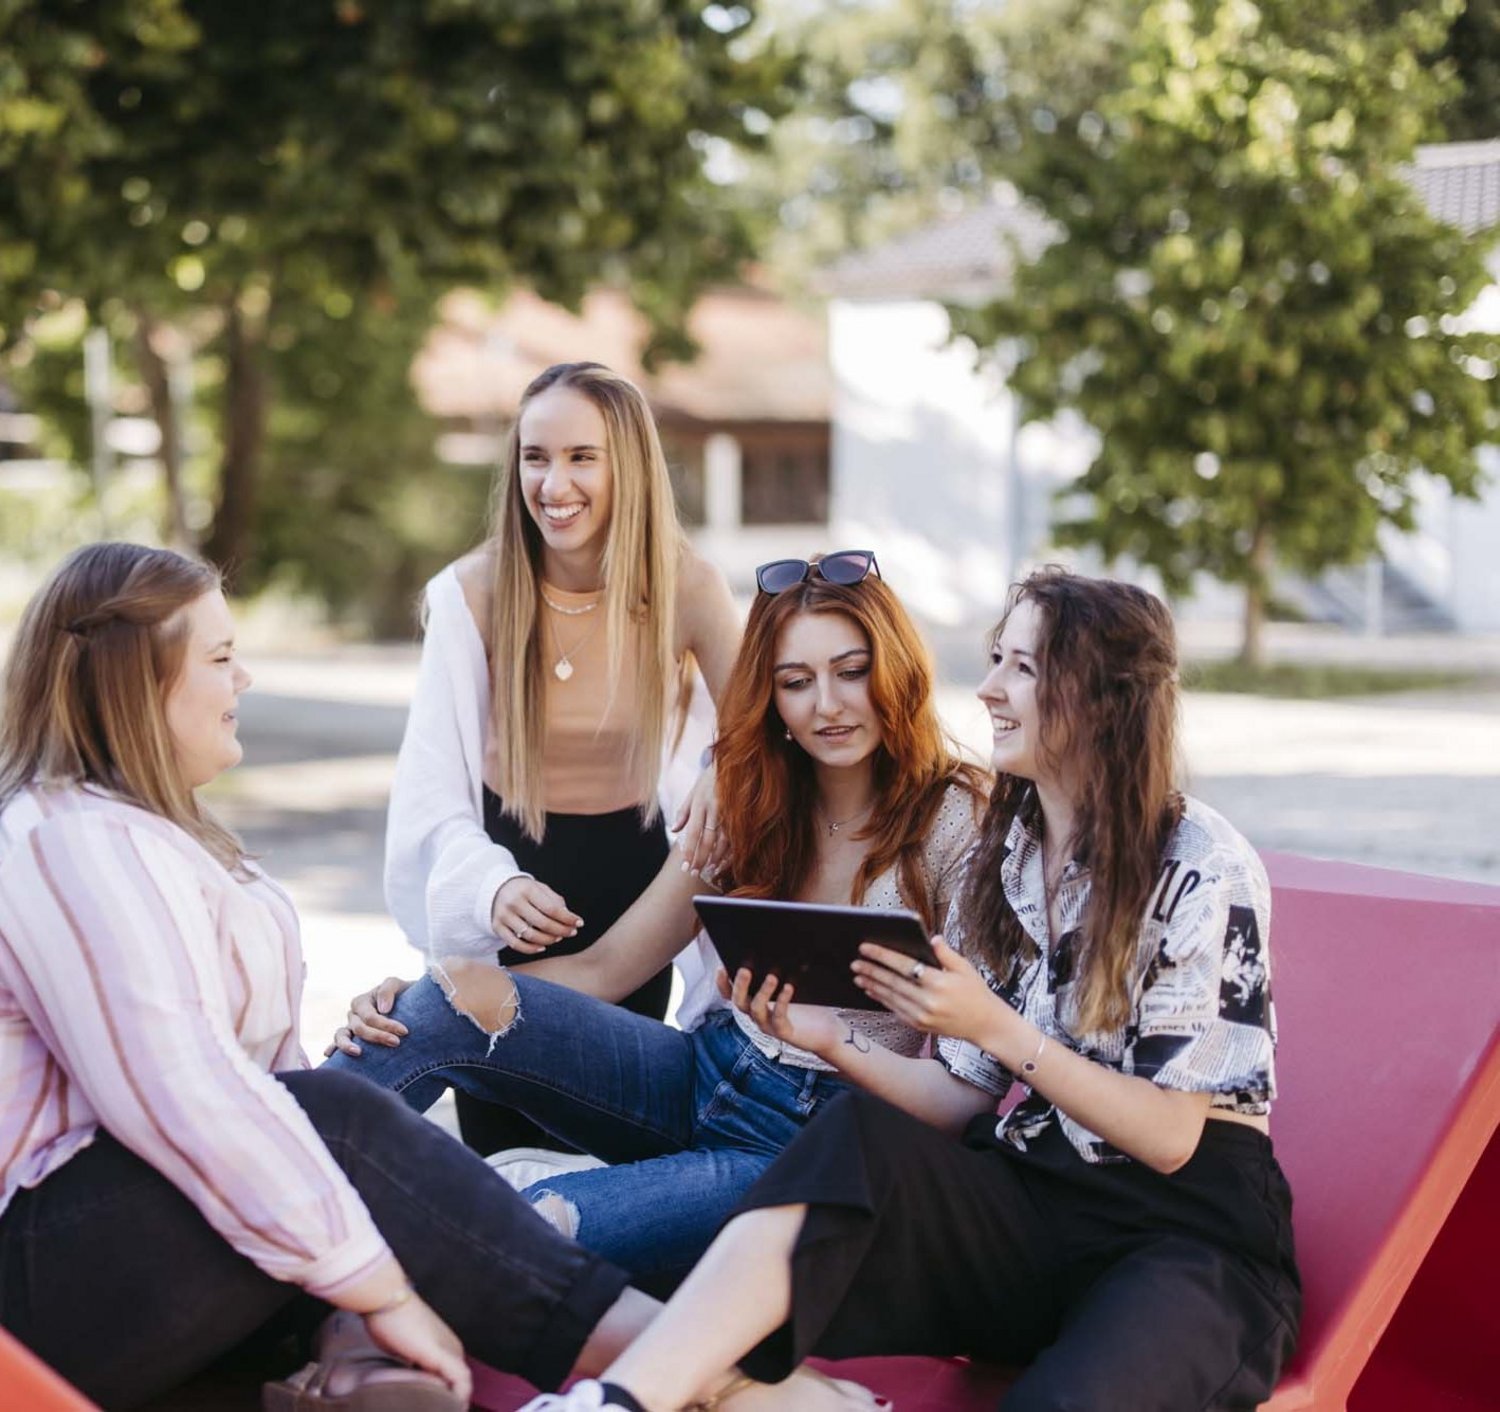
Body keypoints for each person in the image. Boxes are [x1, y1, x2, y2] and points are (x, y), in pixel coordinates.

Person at [516, 567, 1302, 1412]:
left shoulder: (1197, 863)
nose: (989, 688)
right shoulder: (1009, 852)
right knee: (852, 1142)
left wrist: (1000, 1030)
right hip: (1036, 1201)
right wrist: (824, 1035)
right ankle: (620, 1402)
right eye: (996, 659)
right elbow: (959, 1096)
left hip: (1187, 1239)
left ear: (1099, 695)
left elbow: (1173, 1137)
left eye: (1022, 668)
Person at [0, 542, 670, 1411]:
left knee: (340, 1152)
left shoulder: (166, 840)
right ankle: (694, 1372)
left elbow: (261, 1082)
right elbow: (181, 1098)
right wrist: (377, 1286)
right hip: (35, 1276)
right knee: (338, 1131)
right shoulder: (62, 841)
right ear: (136, 680)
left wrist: (351, 1289)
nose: (243, 679)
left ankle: (335, 1366)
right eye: (220, 657)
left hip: (128, 1234)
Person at [326, 552, 986, 1290]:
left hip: (808, 1145)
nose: (827, 705)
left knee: (520, 1224)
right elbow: (607, 968)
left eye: (851, 671)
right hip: (701, 1072)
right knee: (445, 995)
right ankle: (268, 1174)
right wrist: (415, 1001)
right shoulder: (751, 804)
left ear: (895, 668)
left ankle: (313, 1273)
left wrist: (834, 1040)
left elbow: (967, 1082)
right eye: (795, 683)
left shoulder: (959, 821)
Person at [388, 360, 740, 1153]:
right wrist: (490, 886)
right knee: (502, 1144)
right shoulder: (469, 592)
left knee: (607, 1133)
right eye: (535, 457)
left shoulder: (686, 586)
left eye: (582, 457)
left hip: (633, 882)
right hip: (506, 889)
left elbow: (762, 721)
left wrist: (724, 769)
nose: (554, 483)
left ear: (629, 464)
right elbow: (431, 787)